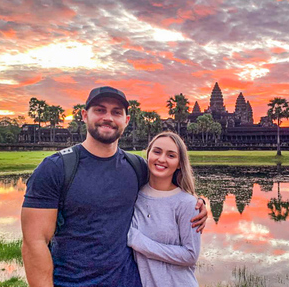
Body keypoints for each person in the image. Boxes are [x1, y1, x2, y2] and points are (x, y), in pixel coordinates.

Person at [21, 86, 207, 287]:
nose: (108, 117)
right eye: (100, 110)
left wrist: (197, 203)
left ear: (126, 120)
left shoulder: (136, 167)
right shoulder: (56, 168)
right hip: (71, 282)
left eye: (116, 112)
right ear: (85, 115)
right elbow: (35, 242)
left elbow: (167, 186)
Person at [128, 132, 200, 287]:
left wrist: (137, 241)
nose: (161, 159)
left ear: (180, 163)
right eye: (157, 152)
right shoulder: (134, 195)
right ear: (148, 154)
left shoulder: (187, 203)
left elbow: (190, 255)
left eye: (171, 155)